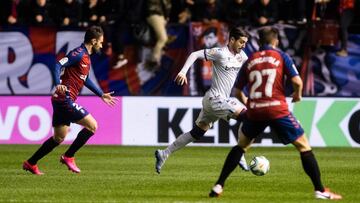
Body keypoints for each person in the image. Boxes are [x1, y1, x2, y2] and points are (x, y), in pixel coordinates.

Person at [209, 27, 342, 200]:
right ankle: (320, 190)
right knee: (303, 145)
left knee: (241, 145)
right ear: (276, 41)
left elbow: (237, 92)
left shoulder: (250, 61)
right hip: (277, 108)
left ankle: (219, 185)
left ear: (259, 42)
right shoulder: (281, 56)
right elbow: (297, 81)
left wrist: (252, 104)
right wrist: (297, 94)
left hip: (256, 110)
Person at [22, 26, 118, 175]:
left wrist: (101, 94)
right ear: (93, 41)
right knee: (93, 126)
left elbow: (85, 79)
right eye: (100, 42)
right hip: (64, 99)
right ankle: (69, 156)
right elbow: (57, 64)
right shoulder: (78, 54)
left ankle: (31, 163)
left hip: (60, 100)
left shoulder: (86, 57)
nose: (101, 45)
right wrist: (57, 84)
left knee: (58, 137)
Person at [155, 27, 250, 174]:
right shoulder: (219, 53)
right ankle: (240, 154)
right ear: (231, 40)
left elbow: (248, 72)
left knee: (197, 132)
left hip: (218, 100)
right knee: (246, 116)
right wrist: (183, 71)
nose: (243, 45)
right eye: (241, 42)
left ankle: (164, 153)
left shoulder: (242, 57)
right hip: (214, 98)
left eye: (245, 42)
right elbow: (194, 54)